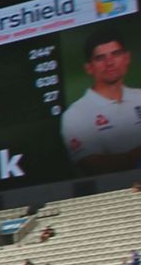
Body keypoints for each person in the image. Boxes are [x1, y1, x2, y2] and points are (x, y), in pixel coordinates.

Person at [60, 31, 141, 174]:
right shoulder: (76, 114)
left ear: (127, 58)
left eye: (115, 54)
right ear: (89, 68)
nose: (110, 63)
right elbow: (93, 166)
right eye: (100, 58)